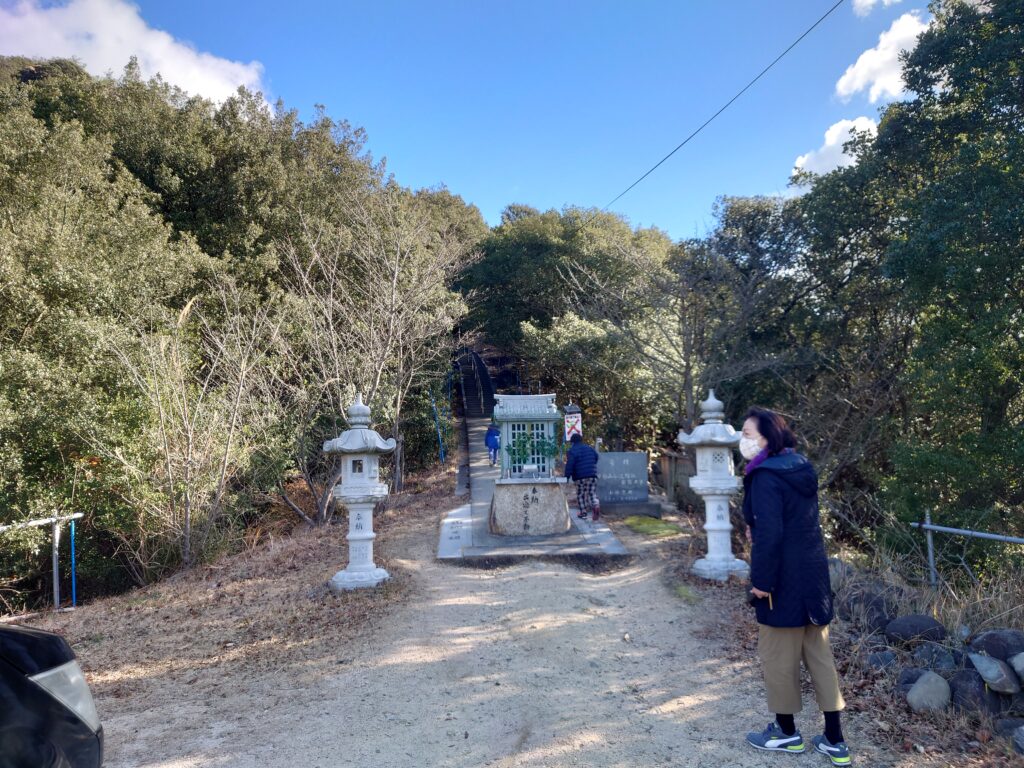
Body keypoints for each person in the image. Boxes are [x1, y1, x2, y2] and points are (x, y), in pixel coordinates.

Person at [740, 407, 850, 766]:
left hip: (782, 580)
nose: (742, 440)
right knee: (819, 655)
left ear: (768, 438)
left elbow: (770, 535)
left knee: (777, 657)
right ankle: (835, 739)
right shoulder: (801, 467)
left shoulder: (765, 477)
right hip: (813, 576)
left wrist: (761, 583)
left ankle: (785, 733)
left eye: (747, 434)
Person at [564, 433, 600, 521]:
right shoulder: (589, 448)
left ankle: (583, 512)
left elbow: (570, 465)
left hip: (580, 477)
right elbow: (596, 457)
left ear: (572, 442)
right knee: (592, 493)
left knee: (581, 494)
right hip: (592, 475)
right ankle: (596, 505)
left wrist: (567, 476)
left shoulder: (572, 451)